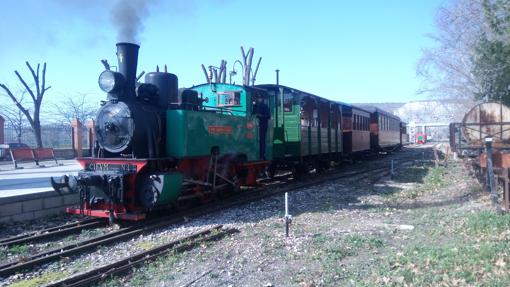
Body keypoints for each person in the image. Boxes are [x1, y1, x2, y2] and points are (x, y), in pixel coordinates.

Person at [253, 94, 270, 160]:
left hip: (263, 125)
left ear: (262, 99)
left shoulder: (265, 106)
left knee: (262, 140)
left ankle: (262, 155)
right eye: (257, 98)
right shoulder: (254, 106)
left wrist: (260, 116)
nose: (258, 99)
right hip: (255, 125)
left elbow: (268, 116)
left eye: (259, 98)